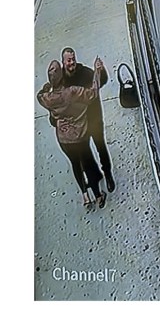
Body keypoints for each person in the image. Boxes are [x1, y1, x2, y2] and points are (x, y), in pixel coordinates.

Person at [37, 58, 106, 209]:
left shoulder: (47, 98)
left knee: (75, 164)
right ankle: (99, 196)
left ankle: (85, 196)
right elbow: (93, 92)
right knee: (87, 165)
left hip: (63, 139)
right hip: (79, 136)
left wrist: (47, 86)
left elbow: (39, 95)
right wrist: (97, 72)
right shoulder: (72, 92)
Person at [61, 47, 115, 193]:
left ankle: (108, 174)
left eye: (73, 59)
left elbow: (101, 82)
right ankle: (95, 178)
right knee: (85, 155)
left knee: (100, 147)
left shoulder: (85, 73)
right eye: (68, 60)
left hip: (93, 119)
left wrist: (101, 70)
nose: (71, 63)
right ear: (63, 62)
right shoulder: (61, 80)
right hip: (77, 125)